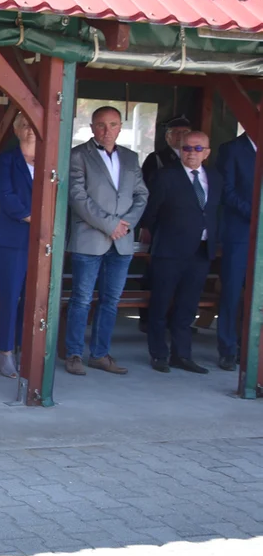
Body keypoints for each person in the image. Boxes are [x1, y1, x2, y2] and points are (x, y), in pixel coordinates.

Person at [64, 106, 148, 376]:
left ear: (120, 127)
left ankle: (100, 354)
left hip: (122, 241)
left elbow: (141, 195)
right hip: (89, 239)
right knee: (82, 299)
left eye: (112, 124)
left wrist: (125, 225)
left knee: (111, 301)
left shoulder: (131, 157)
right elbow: (77, 197)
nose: (107, 130)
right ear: (91, 127)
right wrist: (111, 224)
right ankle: (74, 354)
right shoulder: (78, 155)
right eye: (101, 125)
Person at [140, 131, 222, 374]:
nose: (192, 153)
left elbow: (216, 212)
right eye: (187, 148)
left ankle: (182, 355)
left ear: (206, 153)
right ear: (180, 151)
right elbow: (150, 214)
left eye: (198, 149)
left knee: (187, 306)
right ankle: (159, 354)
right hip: (169, 251)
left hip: (201, 251)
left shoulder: (215, 178)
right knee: (161, 303)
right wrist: (166, 236)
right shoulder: (165, 176)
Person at [0, 115, 36, 379]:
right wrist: (31, 217)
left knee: (35, 300)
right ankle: (6, 353)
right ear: (16, 129)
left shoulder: (48, 159)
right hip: (13, 239)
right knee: (10, 297)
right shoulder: (6, 160)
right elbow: (5, 194)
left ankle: (28, 349)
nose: (30, 130)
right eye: (25, 124)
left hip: (43, 242)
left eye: (34, 124)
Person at [217, 130, 258, 371]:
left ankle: (251, 348)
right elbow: (227, 191)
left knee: (258, 296)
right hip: (239, 232)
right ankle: (228, 349)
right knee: (232, 291)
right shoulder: (231, 149)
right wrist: (255, 215)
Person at [142, 114, 192, 188]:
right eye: (176, 132)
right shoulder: (155, 158)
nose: (181, 135)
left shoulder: (196, 155)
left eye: (185, 132)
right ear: (167, 136)